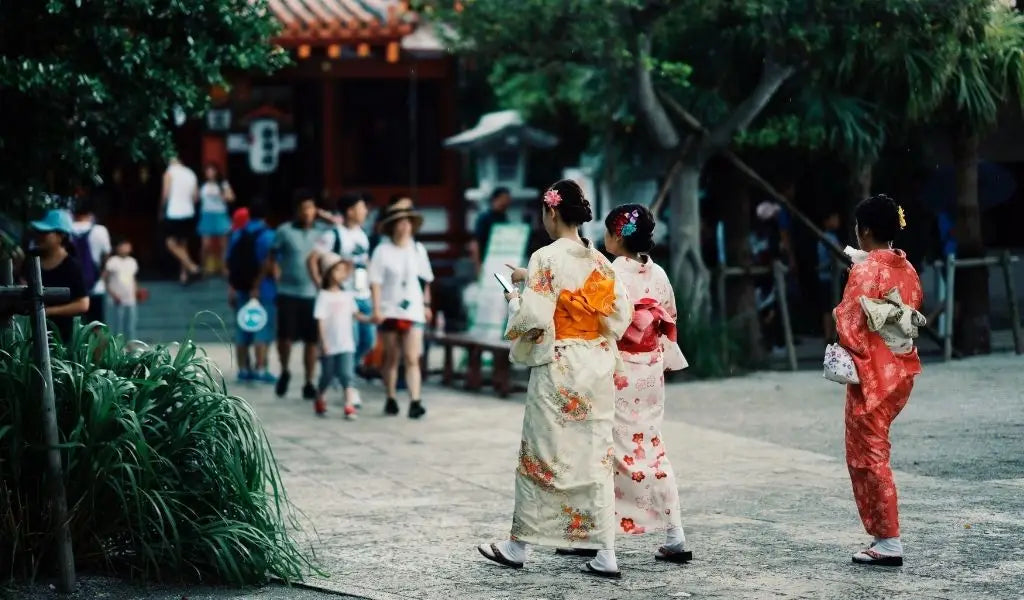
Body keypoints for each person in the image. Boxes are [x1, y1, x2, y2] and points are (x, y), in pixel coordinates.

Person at [477, 180, 632, 578]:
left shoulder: (546, 256)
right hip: (595, 362)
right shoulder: (599, 260)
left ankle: (517, 546)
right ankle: (605, 553)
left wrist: (515, 298)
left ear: (551, 212)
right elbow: (617, 316)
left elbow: (533, 318)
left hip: (560, 363)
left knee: (542, 454)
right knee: (595, 456)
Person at [570, 203, 691, 564]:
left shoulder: (608, 272)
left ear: (616, 236)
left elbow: (591, 319)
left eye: (608, 231)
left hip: (618, 368)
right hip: (650, 369)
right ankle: (675, 535)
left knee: (609, 453)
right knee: (651, 445)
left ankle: (604, 549)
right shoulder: (658, 273)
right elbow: (669, 313)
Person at [834, 194, 925, 567]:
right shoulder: (906, 267)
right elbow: (911, 304)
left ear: (865, 230)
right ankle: (882, 536)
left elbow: (849, 326)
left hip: (873, 374)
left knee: (869, 456)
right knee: (874, 450)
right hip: (901, 369)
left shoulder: (866, 270)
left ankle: (887, 539)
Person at [368, 199, 434, 419]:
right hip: (389, 308)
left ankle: (415, 400)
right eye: (400, 222)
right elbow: (375, 282)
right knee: (391, 356)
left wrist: (426, 305)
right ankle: (391, 396)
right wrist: (376, 309)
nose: (404, 226)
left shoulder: (418, 249)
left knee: (412, 356)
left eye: (407, 222)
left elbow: (425, 280)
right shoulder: (382, 251)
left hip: (413, 308)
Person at [307, 192, 375, 382]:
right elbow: (312, 259)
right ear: (350, 211)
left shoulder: (362, 234)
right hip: (344, 295)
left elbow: (365, 260)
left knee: (368, 340)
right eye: (362, 208)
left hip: (363, 293)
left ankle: (344, 371)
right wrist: (321, 284)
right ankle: (347, 383)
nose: (365, 211)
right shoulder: (333, 235)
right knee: (349, 340)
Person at [270, 189, 326, 399]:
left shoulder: (322, 232)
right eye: (304, 209)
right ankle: (285, 370)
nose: (307, 212)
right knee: (284, 337)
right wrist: (276, 274)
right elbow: (273, 256)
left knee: (311, 340)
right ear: (297, 211)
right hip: (288, 291)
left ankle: (309, 381)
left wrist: (327, 216)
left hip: (312, 293)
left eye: (311, 208)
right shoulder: (284, 231)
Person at [314, 252, 370, 419]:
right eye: (337, 270)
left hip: (346, 343)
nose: (342, 274)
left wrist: (370, 319)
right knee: (327, 375)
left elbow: (356, 314)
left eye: (343, 270)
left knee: (347, 374)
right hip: (330, 344)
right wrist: (323, 342)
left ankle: (349, 404)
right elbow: (320, 321)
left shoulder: (347, 295)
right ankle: (320, 396)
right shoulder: (323, 296)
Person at [227, 198, 277, 383]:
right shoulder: (269, 235)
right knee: (262, 329)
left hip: (240, 288)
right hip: (264, 290)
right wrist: (257, 285)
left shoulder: (237, 234)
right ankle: (261, 369)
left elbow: (230, 263)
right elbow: (269, 263)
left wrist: (231, 287)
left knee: (242, 329)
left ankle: (243, 369)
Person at [22, 209, 89, 345]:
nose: (40, 236)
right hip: (31, 336)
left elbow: (83, 304)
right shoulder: (31, 258)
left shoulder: (71, 266)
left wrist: (49, 311)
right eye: (39, 232)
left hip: (64, 339)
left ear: (61, 236)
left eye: (45, 233)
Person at [70, 197, 112, 324]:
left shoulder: (66, 231)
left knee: (75, 324)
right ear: (91, 213)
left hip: (72, 285)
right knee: (97, 325)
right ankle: (97, 345)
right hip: (96, 285)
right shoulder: (100, 230)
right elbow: (106, 256)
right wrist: (102, 275)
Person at [160, 156, 201, 285]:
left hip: (174, 212)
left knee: (170, 243)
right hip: (189, 212)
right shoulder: (190, 173)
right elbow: (196, 197)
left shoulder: (169, 173)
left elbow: (165, 194)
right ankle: (183, 275)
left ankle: (192, 266)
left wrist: (161, 209)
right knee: (183, 244)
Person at [197, 163, 236, 276]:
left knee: (223, 244)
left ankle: (224, 268)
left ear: (216, 172)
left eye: (212, 170)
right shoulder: (202, 185)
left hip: (220, 214)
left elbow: (231, 197)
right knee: (206, 245)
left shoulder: (223, 184)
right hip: (207, 215)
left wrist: (223, 196)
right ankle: (202, 268)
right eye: (208, 171)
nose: (210, 173)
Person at [104, 238, 139, 340]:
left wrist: (136, 292)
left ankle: (130, 345)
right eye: (123, 246)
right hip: (116, 299)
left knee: (130, 324)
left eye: (127, 246)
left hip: (130, 299)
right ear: (118, 248)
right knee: (116, 325)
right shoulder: (112, 261)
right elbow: (105, 279)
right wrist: (112, 294)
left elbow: (133, 278)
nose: (125, 248)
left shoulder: (132, 261)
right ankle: (115, 347)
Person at [470, 187, 511, 273]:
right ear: (496, 199)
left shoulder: (504, 219)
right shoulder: (484, 218)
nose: (507, 202)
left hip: (501, 261)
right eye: (504, 198)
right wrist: (478, 265)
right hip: (486, 261)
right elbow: (475, 243)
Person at [817, 210, 842, 341]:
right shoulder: (829, 238)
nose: (837, 221)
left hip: (827, 277)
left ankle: (831, 335)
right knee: (829, 308)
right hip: (828, 277)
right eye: (834, 218)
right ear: (827, 222)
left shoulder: (826, 237)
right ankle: (830, 335)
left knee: (829, 308)